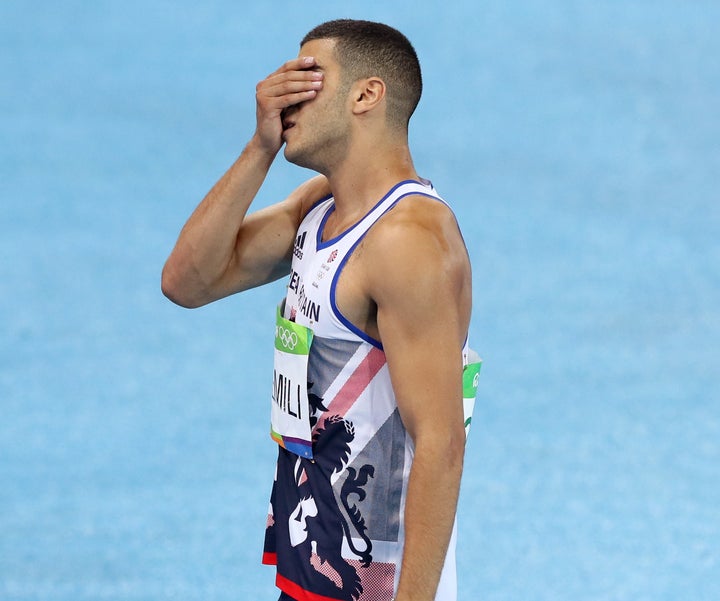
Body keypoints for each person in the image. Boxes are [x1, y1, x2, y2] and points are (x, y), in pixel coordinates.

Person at [162, 19, 475, 601]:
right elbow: (187, 281)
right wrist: (260, 146)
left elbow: (441, 441)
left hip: (374, 585)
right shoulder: (321, 209)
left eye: (309, 76)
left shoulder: (407, 241)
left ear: (366, 95)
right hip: (312, 558)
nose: (286, 92)